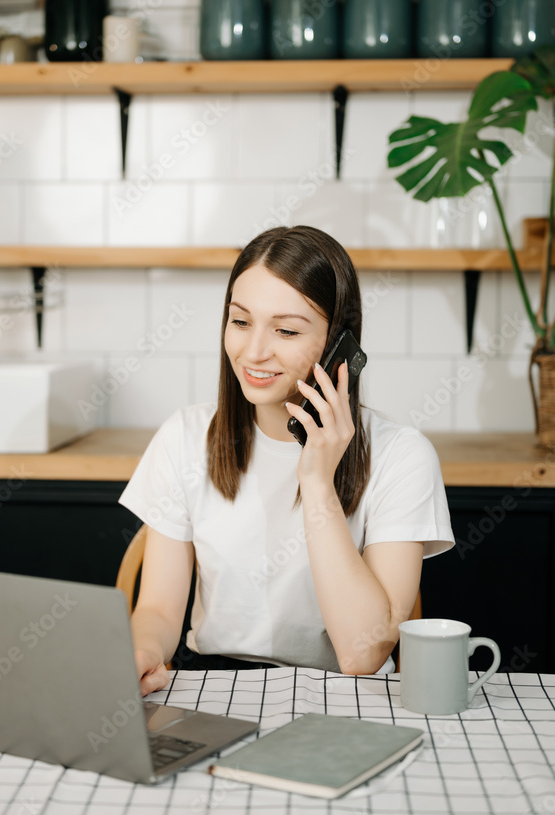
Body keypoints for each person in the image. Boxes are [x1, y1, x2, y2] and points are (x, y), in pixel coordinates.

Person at [118, 225, 454, 696]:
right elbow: (156, 611)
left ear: (340, 345)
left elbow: (364, 654)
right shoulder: (185, 437)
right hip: (213, 686)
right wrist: (143, 654)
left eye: (286, 330)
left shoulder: (402, 455)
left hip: (344, 696)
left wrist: (317, 480)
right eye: (240, 321)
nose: (253, 351)